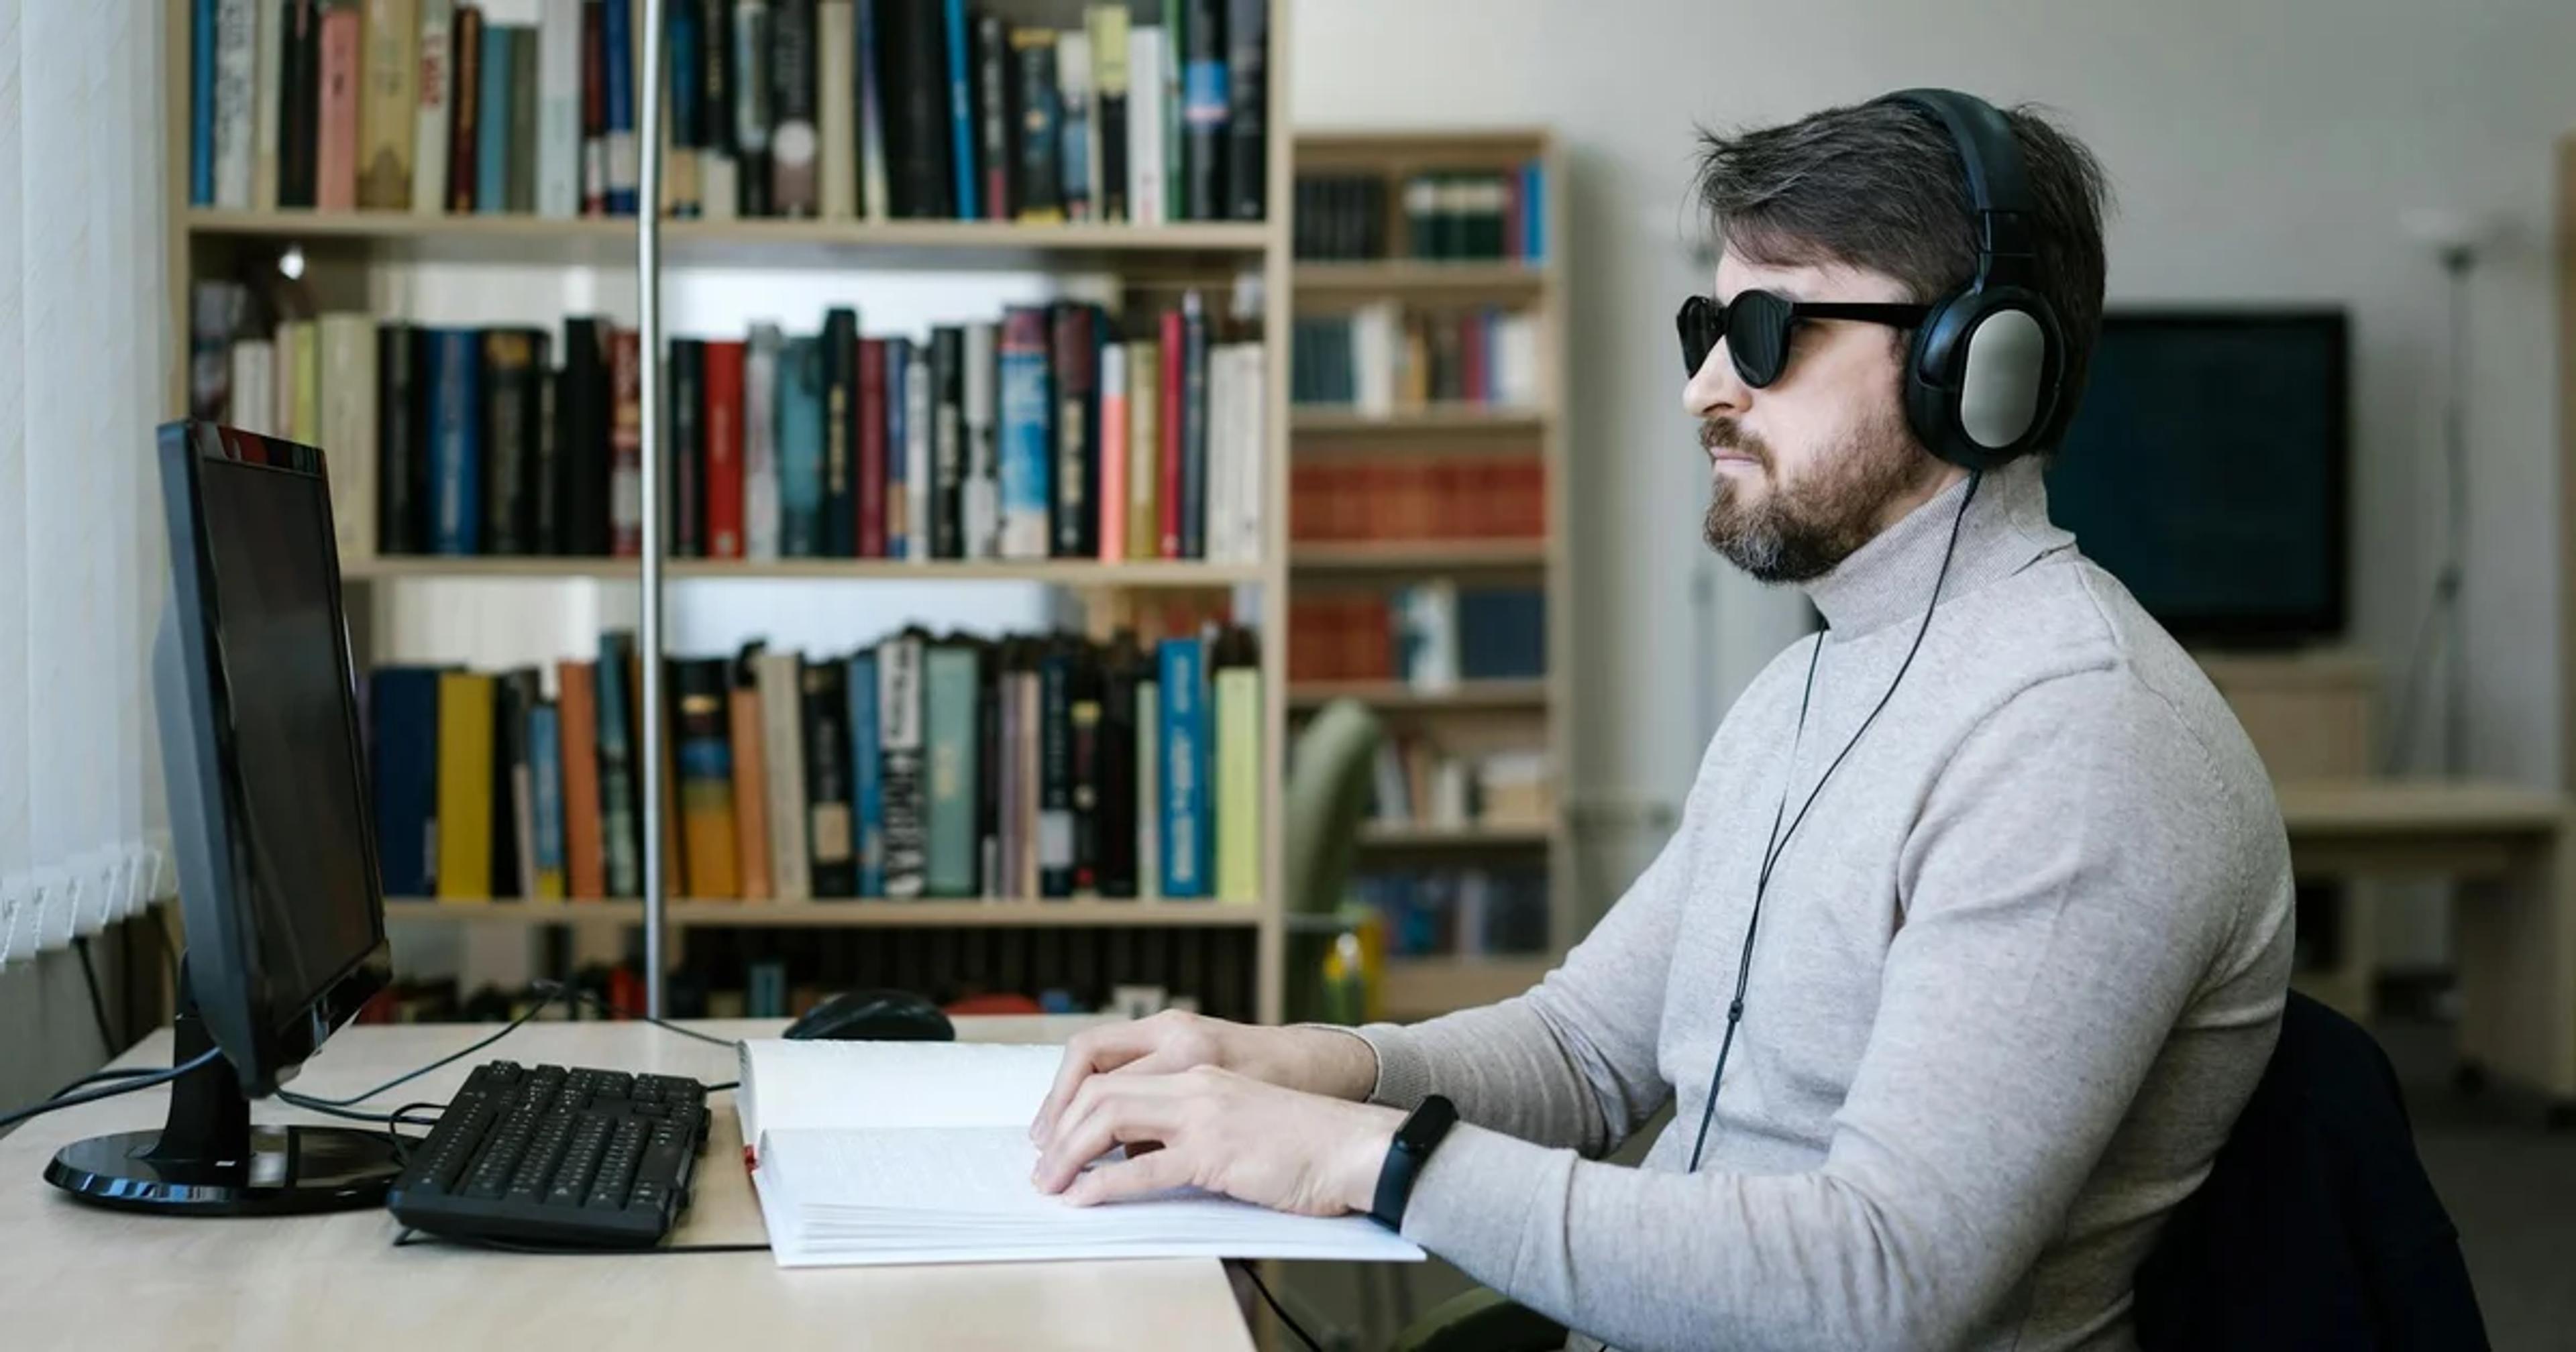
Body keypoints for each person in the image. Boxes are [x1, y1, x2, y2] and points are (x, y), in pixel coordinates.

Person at [1028, 91, 2294, 1352]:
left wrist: (1360, 1158)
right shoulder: (1810, 685)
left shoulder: (2083, 741)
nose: (1703, 388)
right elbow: (1583, 1053)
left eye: (1766, 332)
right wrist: (1308, 1069)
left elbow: (1882, 1283)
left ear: (1976, 365)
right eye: (1707, 327)